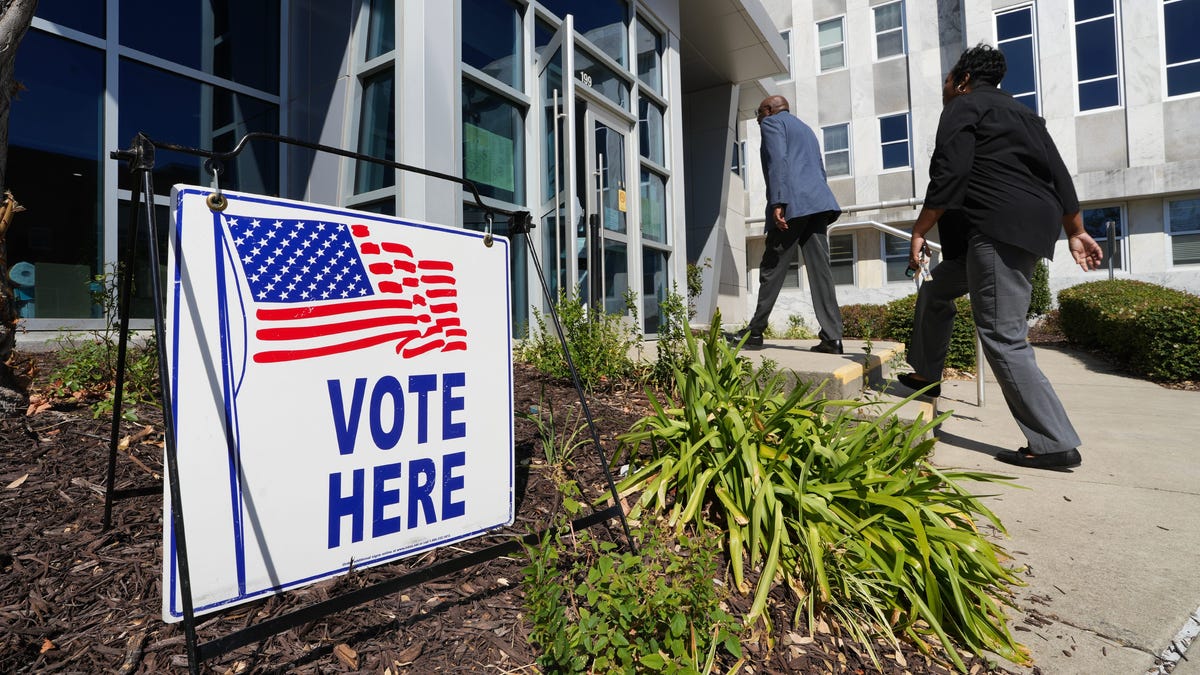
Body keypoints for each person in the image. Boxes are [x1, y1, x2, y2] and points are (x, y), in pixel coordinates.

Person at [898, 44, 1104, 471]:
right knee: (936, 291)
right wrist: (1075, 229)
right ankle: (926, 374)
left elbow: (949, 174)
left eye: (948, 79)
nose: (945, 86)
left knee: (1002, 333)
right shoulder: (1026, 115)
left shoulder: (962, 105)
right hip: (1014, 230)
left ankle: (1053, 442)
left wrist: (919, 230)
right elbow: (1059, 174)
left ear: (962, 80)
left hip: (996, 230)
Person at [734, 95, 843, 353]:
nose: (758, 119)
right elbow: (818, 168)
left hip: (793, 204)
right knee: (821, 272)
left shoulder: (773, 124)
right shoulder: (805, 129)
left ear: (769, 110)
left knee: (772, 267)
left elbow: (777, 161)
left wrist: (778, 202)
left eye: (759, 113)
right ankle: (833, 337)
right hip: (818, 204)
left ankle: (755, 332)